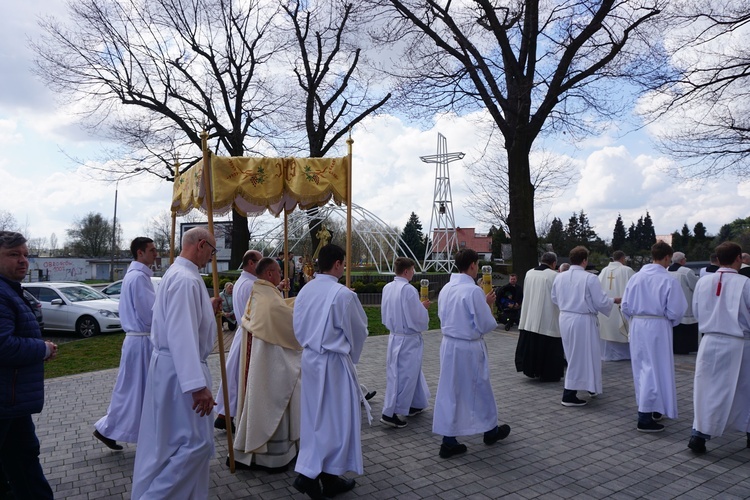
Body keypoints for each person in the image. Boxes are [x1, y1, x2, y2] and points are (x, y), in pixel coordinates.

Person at [131, 227, 221, 499]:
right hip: (182, 371)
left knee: (170, 443)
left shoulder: (177, 273)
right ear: (202, 245)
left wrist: (206, 306)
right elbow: (181, 334)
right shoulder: (185, 279)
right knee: (196, 444)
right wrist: (196, 385)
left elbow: (178, 317)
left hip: (171, 368)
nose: (211, 258)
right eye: (212, 251)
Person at [292, 244, 369, 499]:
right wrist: (351, 356)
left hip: (311, 360)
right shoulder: (343, 295)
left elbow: (298, 325)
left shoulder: (305, 290)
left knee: (316, 419)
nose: (344, 267)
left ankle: (323, 476)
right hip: (334, 364)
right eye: (343, 263)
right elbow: (358, 331)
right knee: (338, 421)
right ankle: (312, 474)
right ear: (337, 264)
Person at [433, 248, 511, 459]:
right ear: (473, 265)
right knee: (480, 388)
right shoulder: (473, 291)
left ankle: (449, 439)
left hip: (449, 345)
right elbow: (486, 324)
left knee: (451, 391)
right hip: (467, 347)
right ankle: (490, 431)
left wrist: (481, 305)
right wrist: (487, 306)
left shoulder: (447, 288)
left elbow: (445, 314)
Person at [0, 231, 56, 499]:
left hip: (12, 401)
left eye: (25, 254)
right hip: (4, 400)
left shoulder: (10, 290)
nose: (23, 260)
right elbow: (3, 346)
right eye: (13, 254)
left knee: (24, 461)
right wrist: (42, 349)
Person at [233, 258, 300, 470]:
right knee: (273, 401)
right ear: (270, 274)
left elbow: (281, 307)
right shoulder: (268, 300)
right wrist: (306, 306)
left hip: (262, 358)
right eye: (279, 272)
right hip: (270, 362)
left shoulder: (259, 292)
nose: (281, 276)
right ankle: (271, 456)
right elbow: (284, 317)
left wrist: (296, 300)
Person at [94, 237, 157, 450]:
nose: (156, 254)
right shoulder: (139, 278)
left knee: (133, 391)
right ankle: (108, 428)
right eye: (152, 250)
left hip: (138, 340)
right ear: (140, 253)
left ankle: (111, 428)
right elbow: (149, 314)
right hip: (141, 341)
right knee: (133, 391)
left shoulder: (135, 276)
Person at [688, 242, 750, 453]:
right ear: (738, 259)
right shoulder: (746, 283)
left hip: (709, 341)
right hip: (740, 344)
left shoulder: (703, 282)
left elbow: (696, 312)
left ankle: (699, 435)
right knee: (744, 391)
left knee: (707, 390)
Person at [622, 241, 687, 433]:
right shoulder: (668, 279)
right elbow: (676, 310)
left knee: (642, 367)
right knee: (654, 369)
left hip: (638, 324)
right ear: (667, 257)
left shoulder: (636, 277)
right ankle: (645, 416)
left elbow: (625, 305)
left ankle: (655, 407)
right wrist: (668, 322)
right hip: (658, 326)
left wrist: (635, 320)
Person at [551, 246, 618, 407]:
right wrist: (614, 300)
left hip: (565, 317)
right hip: (582, 320)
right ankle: (569, 394)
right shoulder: (590, 278)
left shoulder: (559, 277)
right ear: (584, 260)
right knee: (580, 356)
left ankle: (590, 386)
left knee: (578, 354)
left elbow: (554, 298)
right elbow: (600, 302)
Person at [214, 249, 262, 432]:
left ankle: (224, 414)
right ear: (251, 263)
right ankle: (239, 416)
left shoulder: (242, 281)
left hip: (242, 334)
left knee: (233, 376)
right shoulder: (252, 284)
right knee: (241, 378)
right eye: (260, 261)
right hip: (250, 335)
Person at [380, 257, 430, 429]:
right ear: (407, 271)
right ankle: (390, 412)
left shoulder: (388, 287)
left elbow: (385, 311)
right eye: (413, 270)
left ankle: (415, 403)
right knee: (404, 375)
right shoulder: (408, 290)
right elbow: (416, 316)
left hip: (395, 336)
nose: (414, 273)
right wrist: (423, 308)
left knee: (408, 372)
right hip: (408, 338)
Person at [515, 252, 564, 382]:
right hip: (547, 317)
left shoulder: (529, 273)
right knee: (548, 344)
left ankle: (531, 370)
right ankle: (548, 373)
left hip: (529, 316)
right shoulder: (554, 276)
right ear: (554, 263)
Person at [598, 251, 635, 361]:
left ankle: (609, 355)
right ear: (623, 259)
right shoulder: (627, 270)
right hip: (621, 305)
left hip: (607, 307)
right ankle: (625, 355)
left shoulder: (604, 271)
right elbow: (635, 288)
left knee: (609, 330)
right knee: (622, 328)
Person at [668, 251, 699, 354]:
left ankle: (674, 347)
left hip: (671, 303)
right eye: (685, 258)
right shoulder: (686, 271)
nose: (686, 260)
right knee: (686, 327)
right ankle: (687, 347)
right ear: (682, 260)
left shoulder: (666, 270)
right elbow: (696, 286)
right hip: (685, 303)